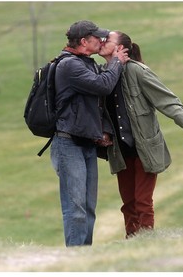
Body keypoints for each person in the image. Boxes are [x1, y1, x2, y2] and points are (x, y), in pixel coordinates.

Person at [98, 31, 183, 238]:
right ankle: (132, 240)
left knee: (143, 201)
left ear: (120, 49)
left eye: (107, 40)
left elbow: (166, 100)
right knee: (128, 203)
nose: (102, 42)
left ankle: (147, 240)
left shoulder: (138, 72)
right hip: (120, 150)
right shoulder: (102, 75)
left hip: (145, 148)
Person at [50, 21, 129, 247]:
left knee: (88, 206)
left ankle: (86, 256)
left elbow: (96, 103)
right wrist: (115, 63)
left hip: (86, 143)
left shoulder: (86, 63)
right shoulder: (69, 66)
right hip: (67, 144)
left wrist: (102, 130)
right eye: (97, 37)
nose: (101, 40)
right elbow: (102, 86)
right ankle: (76, 258)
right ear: (84, 41)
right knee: (75, 208)